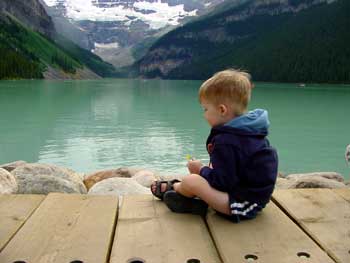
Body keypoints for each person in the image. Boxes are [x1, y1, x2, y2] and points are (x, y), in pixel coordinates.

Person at [151, 69, 278, 222]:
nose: (204, 114)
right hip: (249, 197)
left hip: (241, 204)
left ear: (222, 110)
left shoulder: (227, 141)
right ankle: (191, 202)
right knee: (200, 178)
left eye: (205, 109)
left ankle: (176, 189)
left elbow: (223, 182)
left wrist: (200, 170)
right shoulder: (248, 131)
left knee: (192, 181)